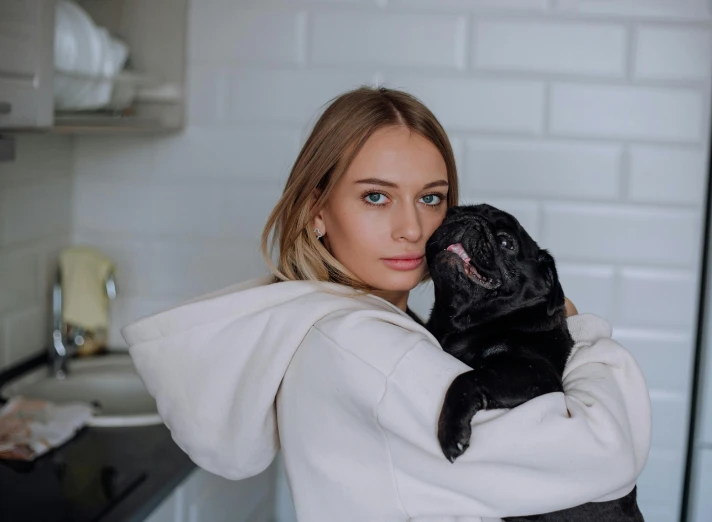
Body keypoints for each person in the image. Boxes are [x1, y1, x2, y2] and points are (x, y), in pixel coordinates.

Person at [121, 87, 651, 522]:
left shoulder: (326, 325)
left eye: (431, 197)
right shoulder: (368, 348)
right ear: (317, 212)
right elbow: (606, 453)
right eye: (376, 196)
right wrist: (581, 333)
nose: (412, 228)